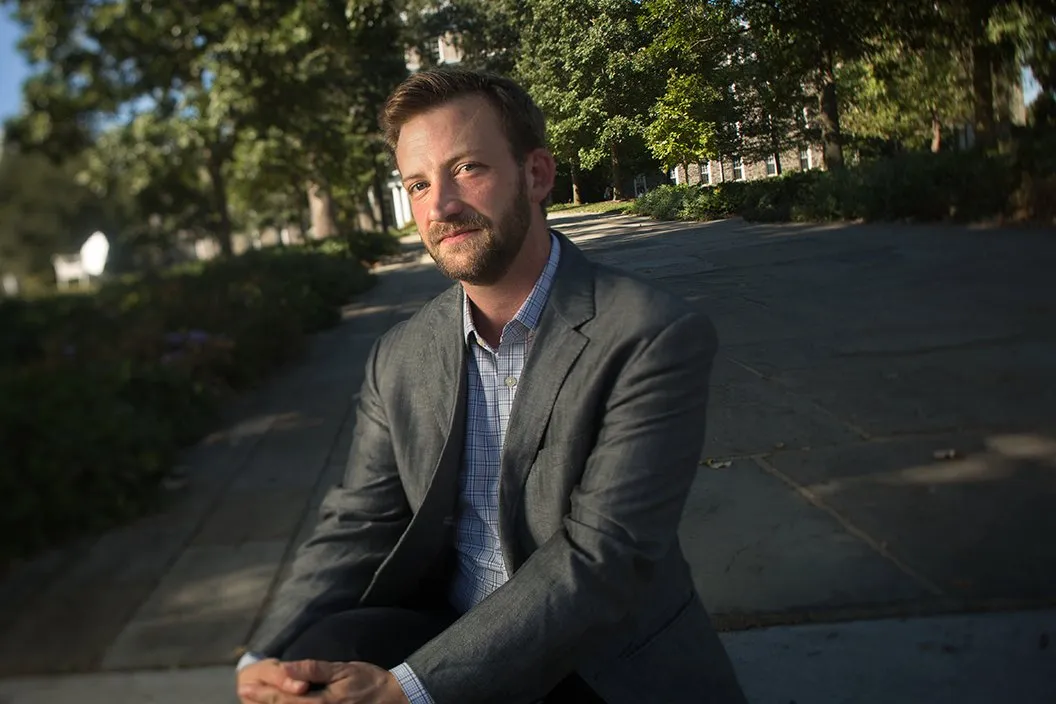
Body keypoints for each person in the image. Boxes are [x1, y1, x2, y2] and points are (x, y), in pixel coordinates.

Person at [235, 67, 747, 704]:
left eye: (468, 168)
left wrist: (408, 690)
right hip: (450, 626)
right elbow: (357, 522)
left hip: (592, 661)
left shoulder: (650, 333)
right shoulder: (400, 355)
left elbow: (600, 560)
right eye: (418, 184)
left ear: (536, 175)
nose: (441, 206)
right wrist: (264, 657)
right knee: (317, 662)